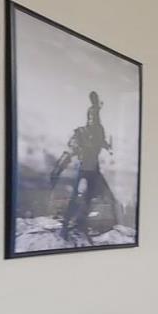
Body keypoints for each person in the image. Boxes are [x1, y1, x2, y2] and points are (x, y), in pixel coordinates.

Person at [52, 91, 116, 237]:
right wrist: (60, 166)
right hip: (84, 168)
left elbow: (103, 143)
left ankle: (81, 222)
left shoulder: (99, 130)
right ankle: (66, 225)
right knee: (76, 196)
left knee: (91, 196)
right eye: (91, 116)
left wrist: (108, 147)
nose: (93, 118)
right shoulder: (82, 132)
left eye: (95, 116)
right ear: (88, 117)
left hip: (94, 168)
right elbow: (71, 148)